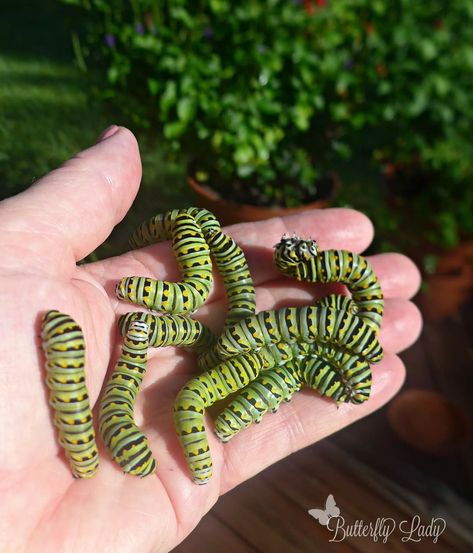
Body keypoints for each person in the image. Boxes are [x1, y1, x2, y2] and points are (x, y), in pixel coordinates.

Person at [0, 126, 422, 552]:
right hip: (228, 351)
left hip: (242, 355)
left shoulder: (275, 342)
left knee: (205, 359)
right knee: (201, 349)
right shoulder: (233, 331)